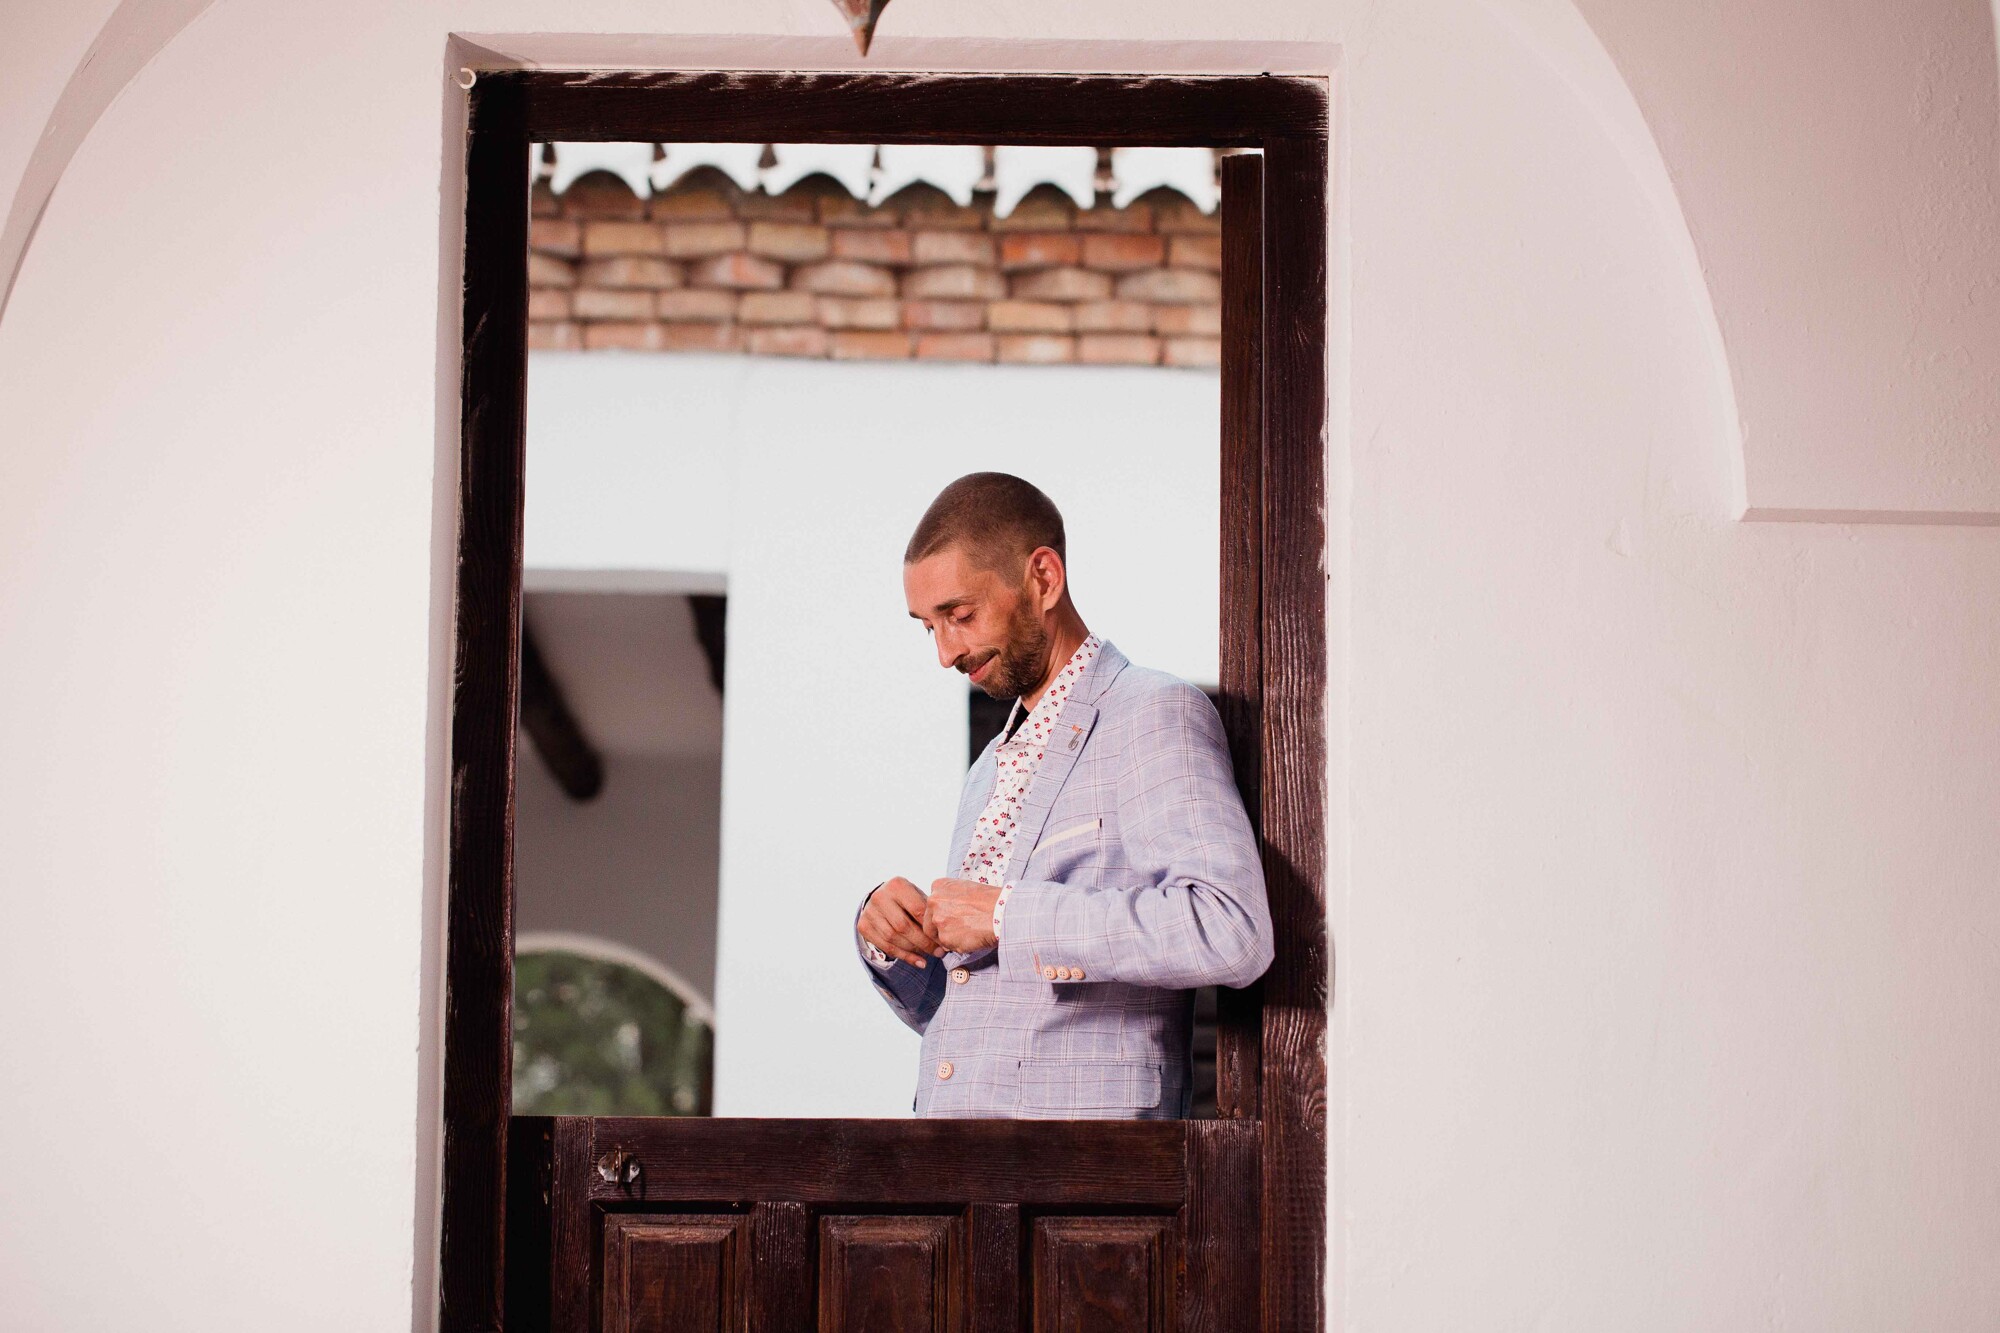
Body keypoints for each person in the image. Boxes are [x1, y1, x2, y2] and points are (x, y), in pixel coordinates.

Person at [856, 472, 1273, 1118]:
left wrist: (1006, 916)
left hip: (1083, 1190)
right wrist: (892, 943)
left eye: (960, 616)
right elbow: (986, 1016)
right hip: (953, 1186)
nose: (945, 653)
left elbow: (1230, 927)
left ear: (1044, 579)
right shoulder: (986, 771)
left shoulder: (1152, 713)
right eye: (928, 627)